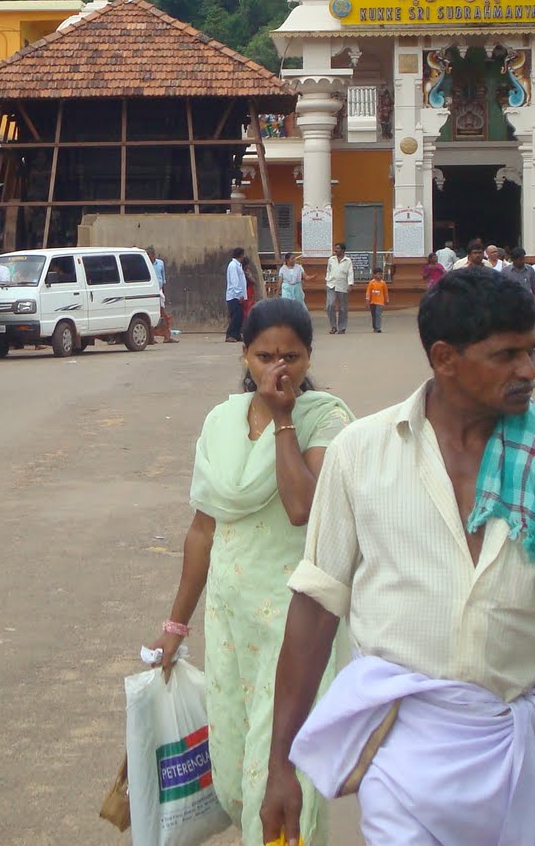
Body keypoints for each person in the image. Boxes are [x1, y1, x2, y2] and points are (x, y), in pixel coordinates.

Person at [259, 266, 535, 846]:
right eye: (506, 355)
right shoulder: (361, 453)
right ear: (445, 359)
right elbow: (316, 606)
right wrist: (281, 765)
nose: (528, 369)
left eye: (530, 350)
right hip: (402, 747)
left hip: (511, 741)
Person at [150, 298, 354, 845]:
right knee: (237, 767)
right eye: (265, 356)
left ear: (310, 358)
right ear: (244, 355)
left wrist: (284, 419)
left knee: (283, 770)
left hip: (296, 626)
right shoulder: (220, 421)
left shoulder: (325, 418)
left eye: (291, 356)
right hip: (230, 617)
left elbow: (302, 506)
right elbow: (202, 530)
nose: (277, 368)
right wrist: (175, 627)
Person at [147, 246, 175, 342]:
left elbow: (163, 279)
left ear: (153, 255)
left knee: (162, 314)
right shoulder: (146, 264)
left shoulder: (160, 263)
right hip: (150, 292)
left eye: (149, 255)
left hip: (159, 291)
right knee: (151, 315)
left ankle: (167, 337)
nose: (149, 258)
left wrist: (163, 292)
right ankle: (151, 338)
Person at [325, 243, 353, 335]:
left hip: (342, 286)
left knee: (343, 308)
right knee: (330, 305)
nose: (335, 250)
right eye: (335, 248)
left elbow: (350, 273)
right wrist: (327, 279)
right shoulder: (331, 259)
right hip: (331, 285)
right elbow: (328, 270)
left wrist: (350, 284)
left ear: (343, 250)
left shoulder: (348, 261)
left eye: (338, 248)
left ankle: (342, 327)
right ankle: (333, 326)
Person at [225, 248, 249, 342]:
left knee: (239, 316)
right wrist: (239, 294)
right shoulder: (233, 266)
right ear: (241, 255)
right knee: (235, 316)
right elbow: (235, 281)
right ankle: (230, 334)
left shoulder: (237, 265)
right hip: (234, 295)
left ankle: (237, 334)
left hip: (237, 295)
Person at [365, 267, 388, 332]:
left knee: (378, 314)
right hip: (372, 302)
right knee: (374, 315)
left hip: (380, 302)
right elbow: (368, 292)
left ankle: (378, 327)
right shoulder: (371, 283)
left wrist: (386, 300)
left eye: (381, 274)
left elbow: (385, 292)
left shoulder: (383, 283)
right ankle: (375, 327)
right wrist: (367, 301)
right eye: (378, 274)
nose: (380, 276)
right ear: (374, 275)